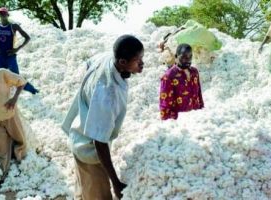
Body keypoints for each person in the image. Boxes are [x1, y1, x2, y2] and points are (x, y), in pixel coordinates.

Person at [62, 35, 144, 200]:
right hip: (89, 150)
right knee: (98, 195)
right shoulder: (107, 93)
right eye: (137, 60)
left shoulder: (106, 58)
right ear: (122, 62)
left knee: (85, 190)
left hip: (78, 134)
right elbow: (99, 142)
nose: (142, 63)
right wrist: (115, 182)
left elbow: (88, 64)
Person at [0, 53, 27, 186]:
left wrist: (14, 99)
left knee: (19, 139)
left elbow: (22, 82)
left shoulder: (1, 73)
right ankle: (1, 175)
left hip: (8, 113)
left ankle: (23, 164)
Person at [0, 7, 39, 94]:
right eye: (1, 13)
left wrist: (17, 49)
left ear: (7, 14)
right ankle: (4, 94)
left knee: (17, 77)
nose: (2, 15)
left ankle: (33, 90)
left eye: (4, 13)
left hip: (10, 56)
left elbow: (27, 38)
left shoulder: (13, 26)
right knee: (1, 77)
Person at [159, 43, 204, 120]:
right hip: (179, 122)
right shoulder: (169, 76)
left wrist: (201, 110)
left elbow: (198, 94)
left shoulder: (194, 72)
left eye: (190, 57)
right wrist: (168, 122)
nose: (187, 60)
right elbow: (165, 102)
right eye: (183, 57)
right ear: (176, 56)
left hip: (196, 118)